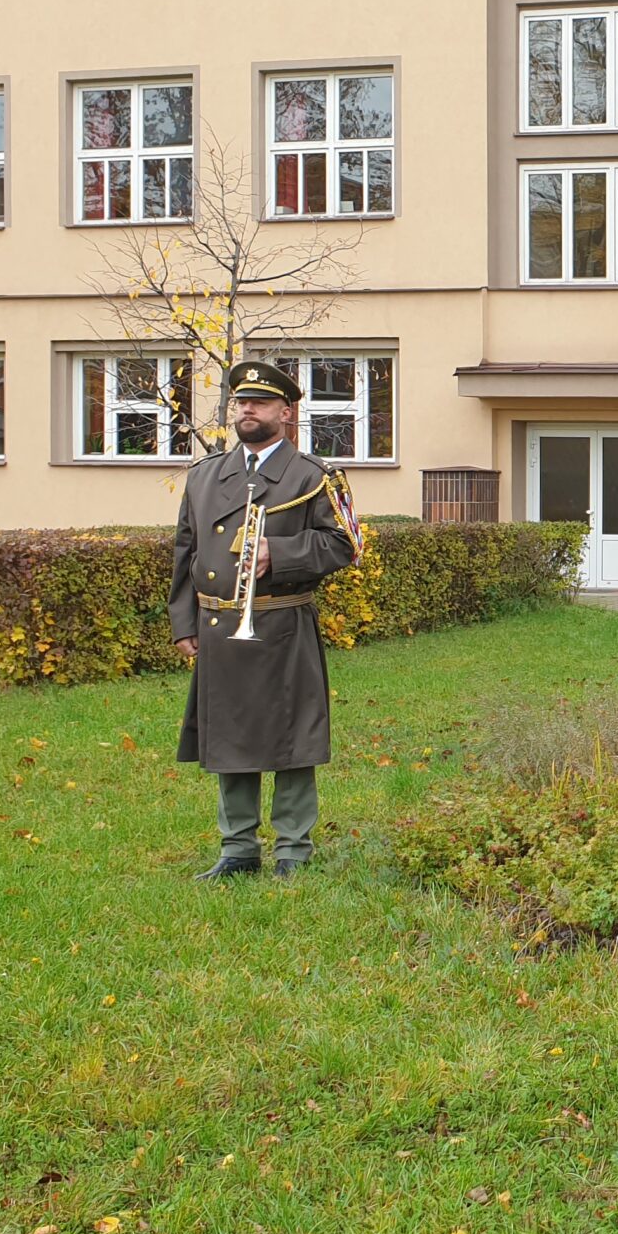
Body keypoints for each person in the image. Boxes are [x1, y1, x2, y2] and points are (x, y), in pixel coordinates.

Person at [171, 361, 360, 880]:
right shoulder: (205, 475)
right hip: (220, 630)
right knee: (228, 736)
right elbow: (186, 552)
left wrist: (279, 554)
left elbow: (345, 545)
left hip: (283, 626)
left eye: (259, 402)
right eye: (240, 402)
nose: (247, 409)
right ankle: (237, 848)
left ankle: (292, 851)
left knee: (292, 739)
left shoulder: (315, 476)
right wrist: (183, 622)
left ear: (286, 411)